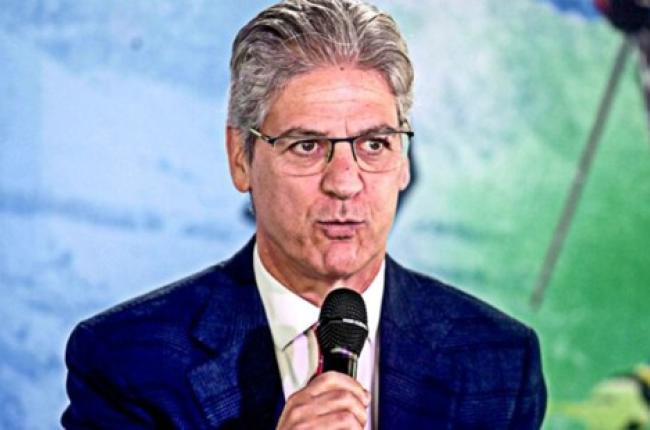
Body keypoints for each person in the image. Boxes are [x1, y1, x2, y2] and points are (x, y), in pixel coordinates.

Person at [61, 0, 547, 428]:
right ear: (240, 157)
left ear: (403, 162)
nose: (345, 182)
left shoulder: (498, 361)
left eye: (374, 144)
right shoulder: (128, 362)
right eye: (307, 146)